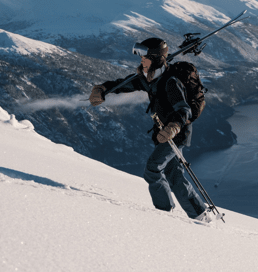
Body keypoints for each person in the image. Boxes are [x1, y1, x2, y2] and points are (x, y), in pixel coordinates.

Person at [88, 37, 208, 220]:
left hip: (175, 133)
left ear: (157, 59)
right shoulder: (149, 78)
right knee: (173, 173)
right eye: (141, 57)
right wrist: (103, 88)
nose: (141, 61)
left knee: (153, 168)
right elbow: (126, 83)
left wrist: (174, 126)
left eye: (145, 57)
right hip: (164, 132)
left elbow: (184, 109)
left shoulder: (170, 82)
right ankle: (200, 215)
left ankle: (164, 214)